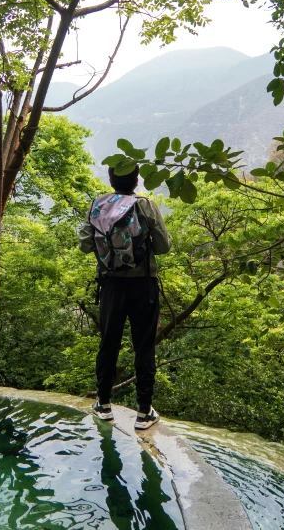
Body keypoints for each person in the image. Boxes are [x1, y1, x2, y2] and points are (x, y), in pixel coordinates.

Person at [79, 164, 171, 430]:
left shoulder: (98, 206)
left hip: (110, 286)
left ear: (110, 180)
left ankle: (104, 404)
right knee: (144, 346)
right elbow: (163, 247)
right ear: (136, 180)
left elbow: (85, 245)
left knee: (109, 343)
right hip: (144, 285)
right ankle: (144, 412)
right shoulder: (145, 205)